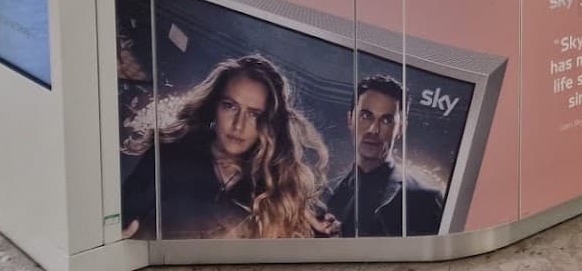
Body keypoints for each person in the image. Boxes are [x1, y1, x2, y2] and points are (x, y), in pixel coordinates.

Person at [120, 55, 340, 240]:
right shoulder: (169, 158)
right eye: (230, 106)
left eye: (254, 114)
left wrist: (322, 233)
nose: (239, 125)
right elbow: (123, 226)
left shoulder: (278, 187)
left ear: (269, 122)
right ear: (213, 106)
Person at [326, 75, 445, 237]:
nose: (373, 130)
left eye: (386, 121)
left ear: (401, 128)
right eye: (366, 116)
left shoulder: (426, 199)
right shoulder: (326, 193)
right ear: (350, 119)